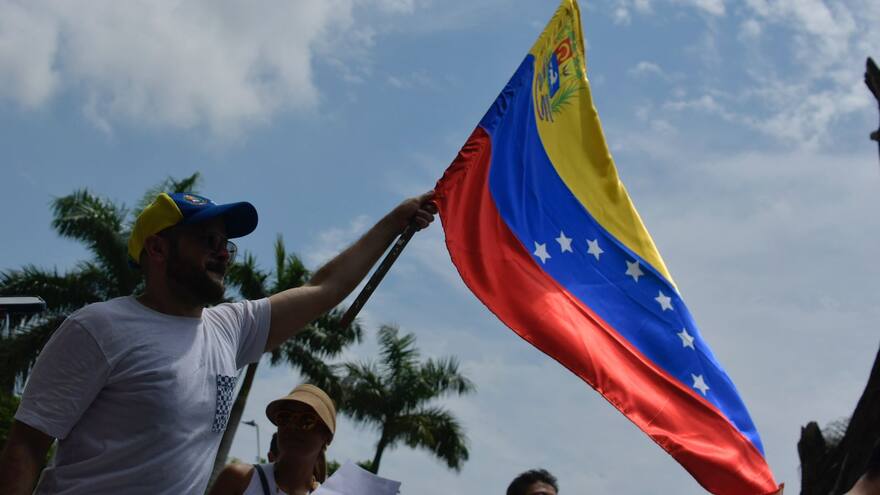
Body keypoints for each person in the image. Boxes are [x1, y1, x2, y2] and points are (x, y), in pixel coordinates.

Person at [0, 191, 436, 494]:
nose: (224, 253)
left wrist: (395, 221)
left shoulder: (230, 329)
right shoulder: (97, 328)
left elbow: (325, 289)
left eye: (226, 244)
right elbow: (27, 446)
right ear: (157, 249)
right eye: (207, 241)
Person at [209, 384, 336, 495]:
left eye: (306, 420)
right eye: (285, 417)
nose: (292, 425)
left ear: (326, 437)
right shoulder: (238, 479)